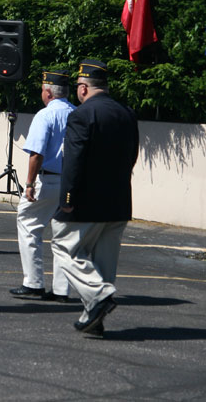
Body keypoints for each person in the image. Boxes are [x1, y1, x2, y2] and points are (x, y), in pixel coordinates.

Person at [51, 59, 139, 337]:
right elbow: (132, 155)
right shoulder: (126, 113)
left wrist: (67, 196)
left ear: (83, 88)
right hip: (118, 201)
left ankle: (99, 296)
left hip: (87, 202)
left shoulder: (81, 114)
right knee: (103, 263)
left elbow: (73, 161)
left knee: (64, 249)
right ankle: (95, 318)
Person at [10, 70, 75, 302]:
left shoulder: (45, 115)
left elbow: (36, 154)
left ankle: (34, 282)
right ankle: (61, 290)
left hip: (46, 179)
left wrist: (29, 184)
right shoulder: (78, 114)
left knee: (29, 227)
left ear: (48, 92)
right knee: (63, 236)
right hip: (70, 182)